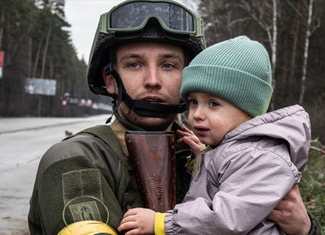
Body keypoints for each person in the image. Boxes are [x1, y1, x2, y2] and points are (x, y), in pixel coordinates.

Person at [27, 1, 320, 234]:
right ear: (110, 80)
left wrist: (304, 229)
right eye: (134, 64)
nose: (153, 80)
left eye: (168, 65)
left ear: (189, 78)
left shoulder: (223, 151)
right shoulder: (77, 159)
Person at [116, 35, 311, 234]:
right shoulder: (235, 151)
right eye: (193, 102)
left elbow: (226, 218)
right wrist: (205, 158)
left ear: (248, 111)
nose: (197, 114)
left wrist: (162, 223)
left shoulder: (261, 158)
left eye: (213, 104)